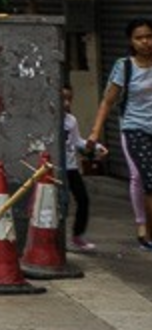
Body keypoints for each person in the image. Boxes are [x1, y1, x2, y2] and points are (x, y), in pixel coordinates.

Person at [87, 17, 152, 250]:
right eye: (139, 38)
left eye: (149, 36)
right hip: (134, 127)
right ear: (131, 41)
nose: (145, 42)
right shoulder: (124, 66)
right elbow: (108, 101)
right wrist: (95, 132)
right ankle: (143, 226)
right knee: (140, 176)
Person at [63, 84, 102, 253]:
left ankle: (77, 236)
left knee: (83, 200)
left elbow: (77, 141)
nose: (65, 103)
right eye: (62, 98)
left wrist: (95, 147)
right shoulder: (47, 119)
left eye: (69, 99)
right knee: (59, 204)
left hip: (71, 167)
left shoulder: (71, 120)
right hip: (53, 168)